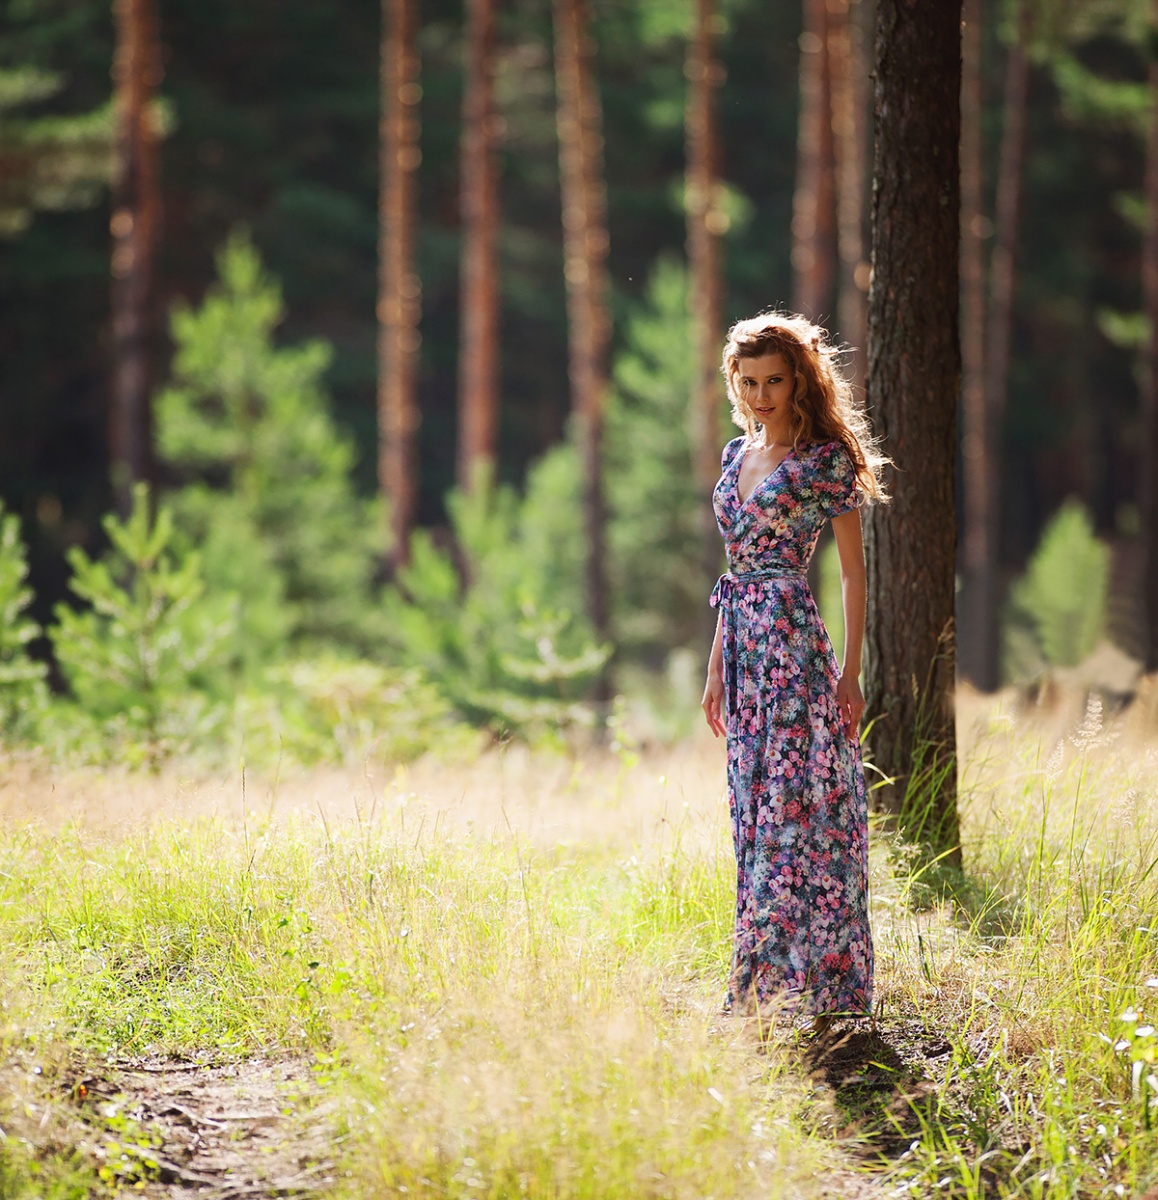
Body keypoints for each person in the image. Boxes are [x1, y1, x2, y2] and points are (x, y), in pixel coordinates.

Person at [700, 311, 888, 1023]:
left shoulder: (823, 461)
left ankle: (822, 985)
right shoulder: (732, 456)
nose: (759, 395)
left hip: (791, 646)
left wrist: (851, 672)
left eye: (773, 381)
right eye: (747, 382)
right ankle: (759, 987)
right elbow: (733, 570)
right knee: (753, 815)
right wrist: (717, 669)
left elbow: (852, 576)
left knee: (799, 810)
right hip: (742, 650)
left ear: (799, 380)